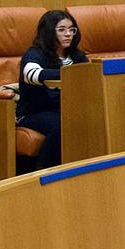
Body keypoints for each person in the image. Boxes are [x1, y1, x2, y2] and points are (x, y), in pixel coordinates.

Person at [17, 9, 88, 170]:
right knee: (61, 124)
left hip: (66, 110)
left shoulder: (77, 56)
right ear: (49, 32)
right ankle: (43, 172)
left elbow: (89, 77)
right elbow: (30, 74)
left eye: (72, 29)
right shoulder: (35, 54)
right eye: (62, 30)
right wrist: (69, 74)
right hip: (32, 113)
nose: (68, 34)